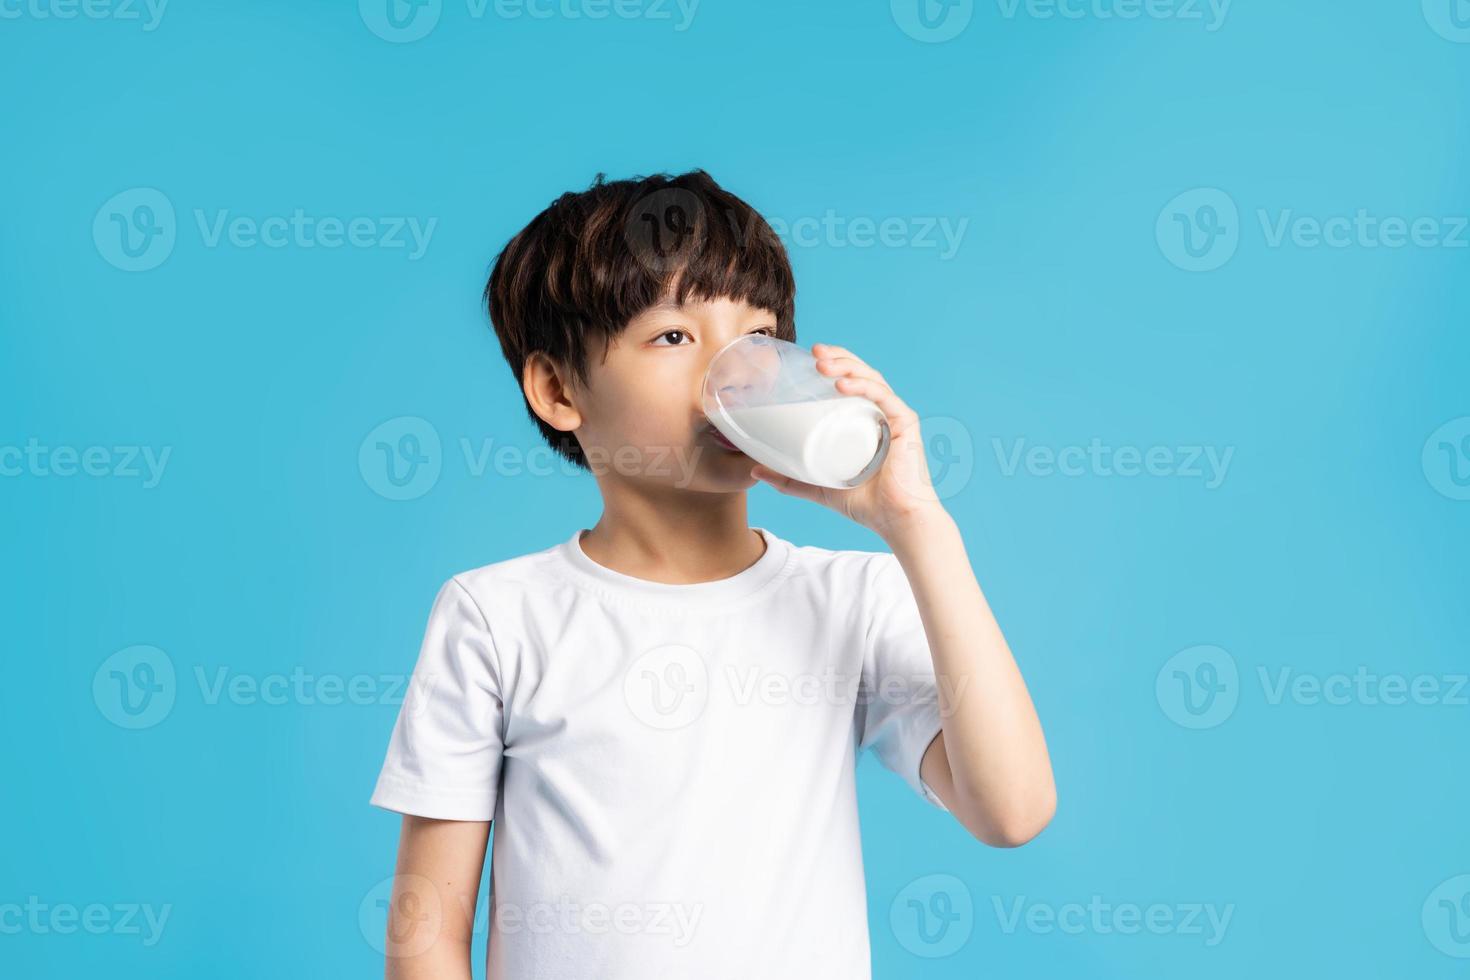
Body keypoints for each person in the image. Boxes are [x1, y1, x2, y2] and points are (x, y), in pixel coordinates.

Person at [369, 169, 1055, 979]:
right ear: (558, 389)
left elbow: (1012, 810)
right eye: (672, 337)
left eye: (758, 337)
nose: (733, 370)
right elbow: (426, 934)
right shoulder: (496, 614)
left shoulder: (851, 599)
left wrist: (918, 526)